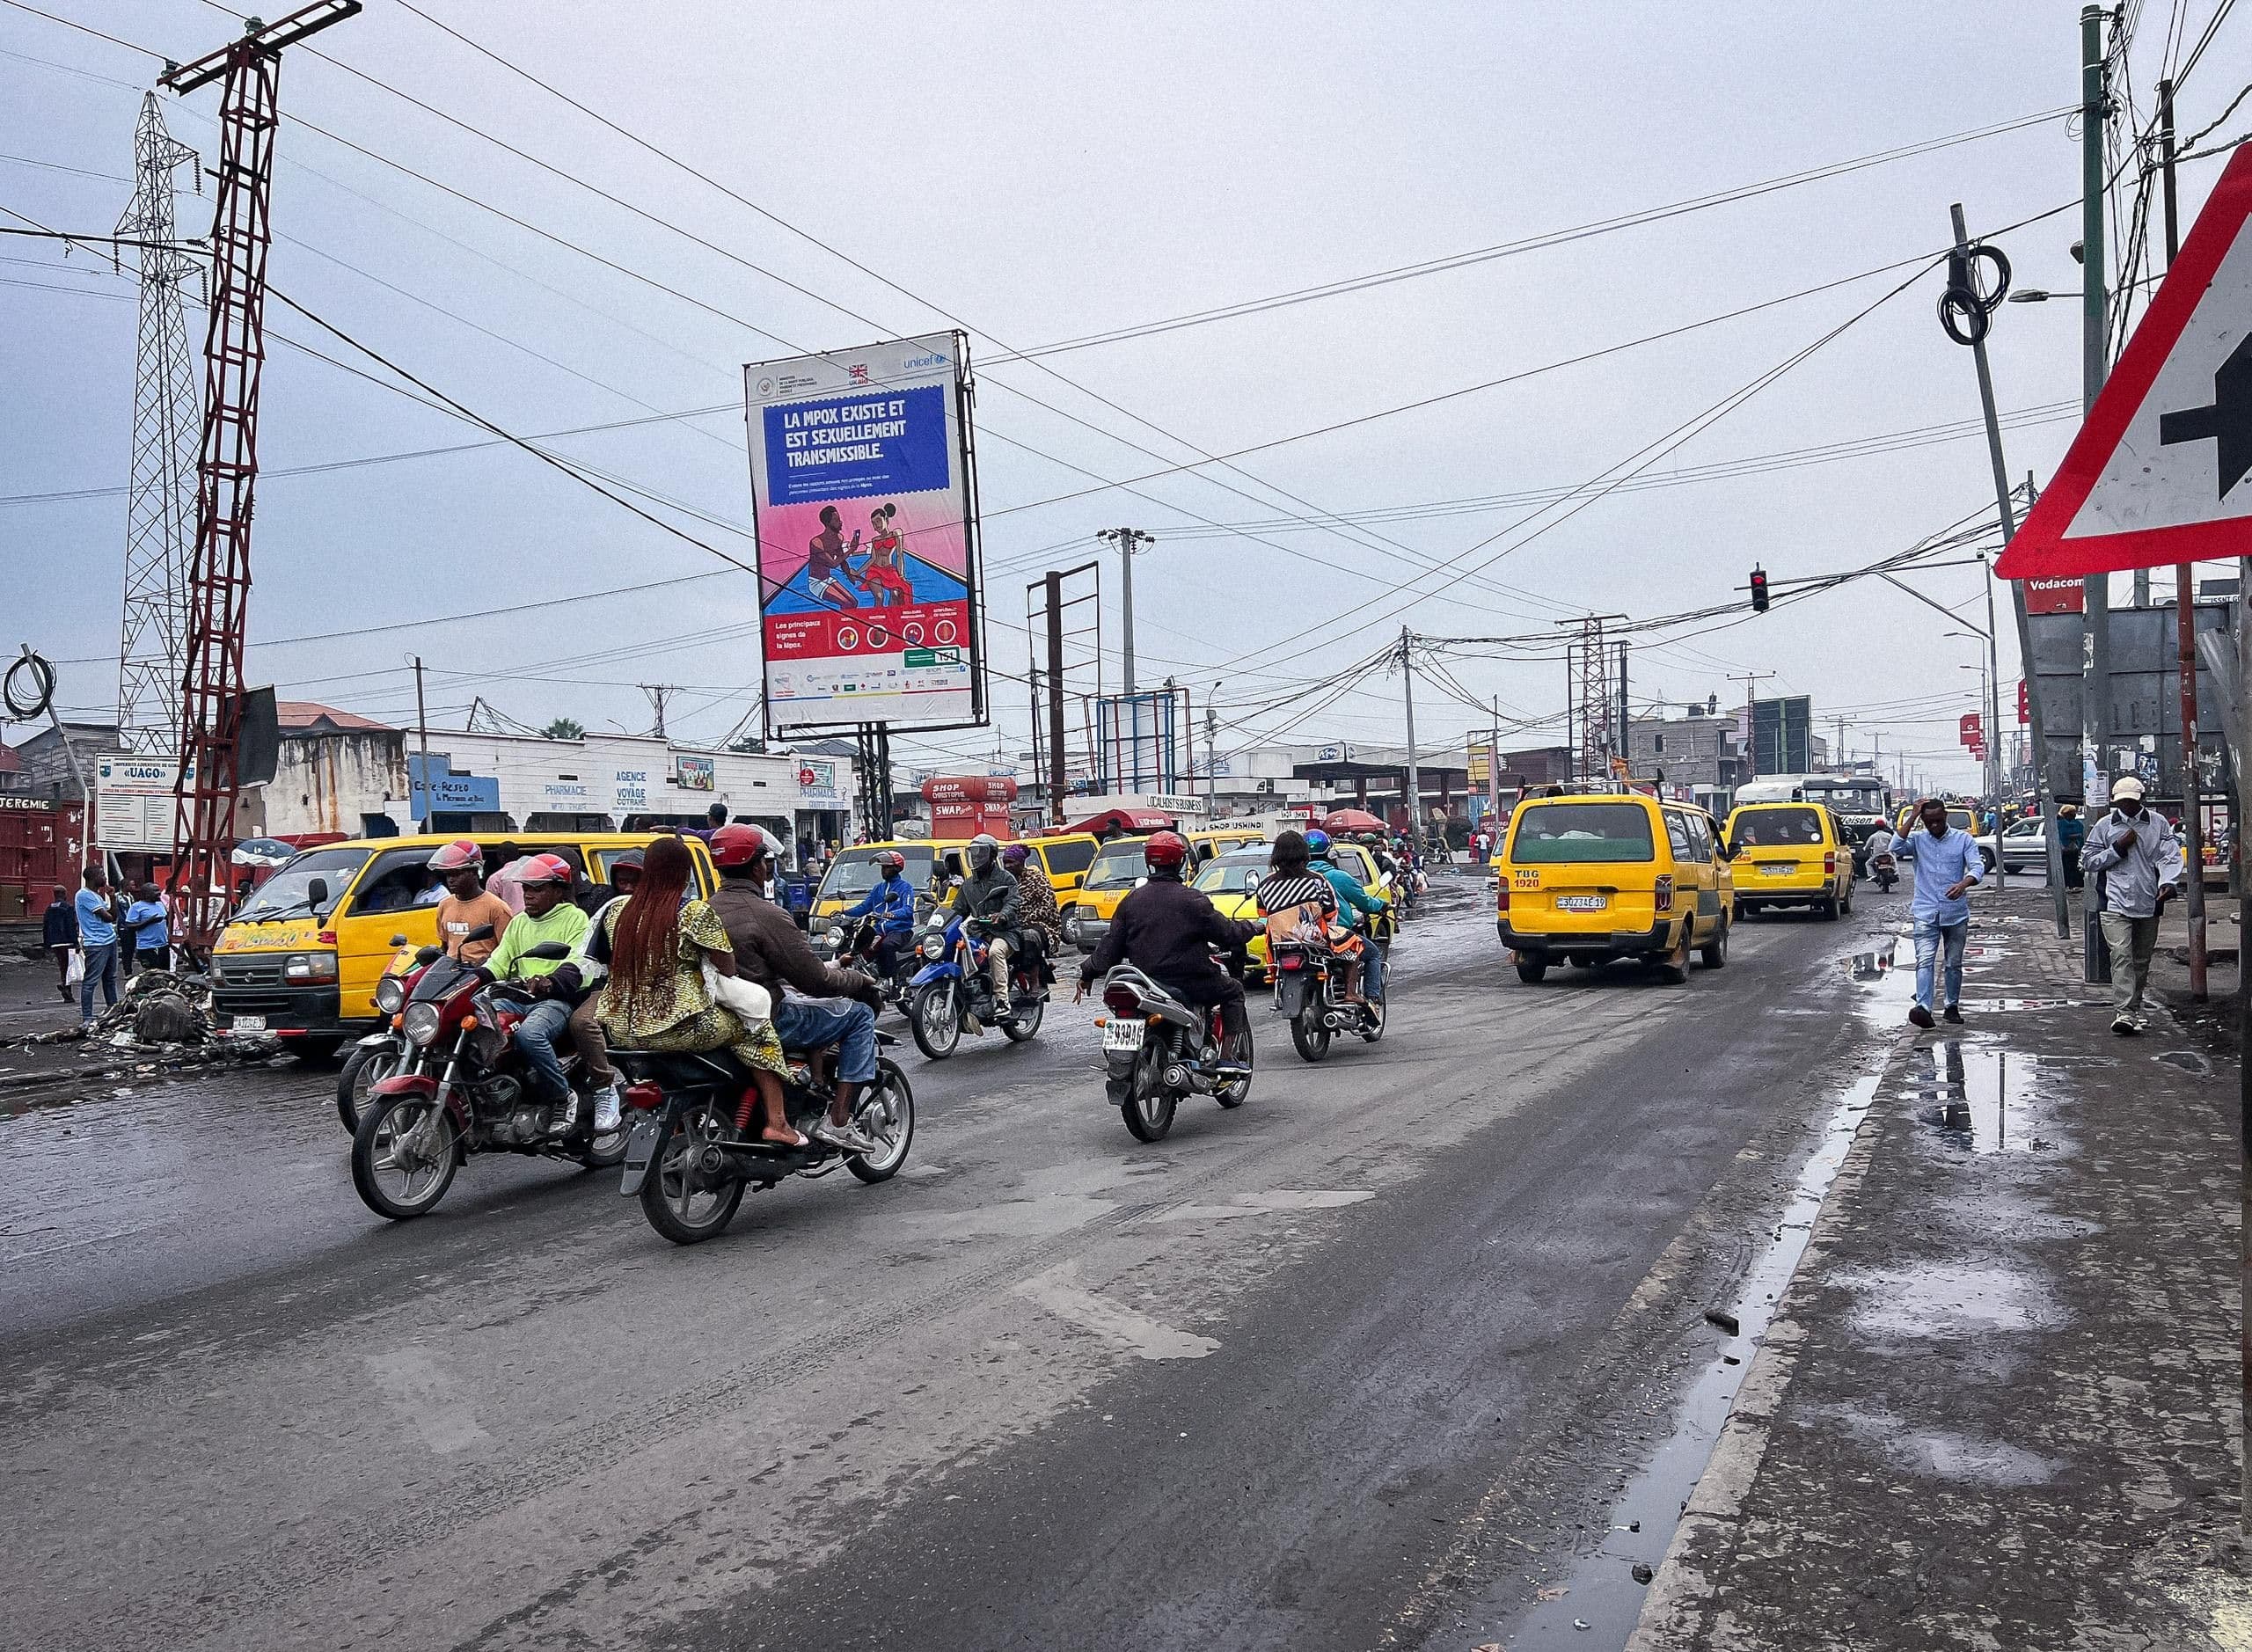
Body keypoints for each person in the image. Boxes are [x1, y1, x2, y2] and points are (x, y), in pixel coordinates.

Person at [596, 835, 802, 1149]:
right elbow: (728, 967)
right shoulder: (692, 913)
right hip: (679, 1026)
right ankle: (778, 1123)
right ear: (684, 873)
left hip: (622, 1029)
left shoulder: (617, 913)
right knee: (757, 1031)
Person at [704, 823, 883, 1154]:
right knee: (857, 1015)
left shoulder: (703, 910)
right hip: (769, 1018)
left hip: (719, 1017)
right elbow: (814, 982)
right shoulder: (767, 915)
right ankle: (839, 1121)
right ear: (759, 867)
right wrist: (859, 981)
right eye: (765, 862)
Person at [1076, 830, 1259, 1074]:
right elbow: (1226, 933)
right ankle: (1226, 1059)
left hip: (1145, 982)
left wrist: (1087, 973)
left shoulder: (1131, 901)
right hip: (1189, 981)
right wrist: (1252, 928)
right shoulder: (1192, 900)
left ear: (1149, 862)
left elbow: (1109, 948)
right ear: (1182, 862)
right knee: (1233, 991)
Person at [486, 854, 598, 1132]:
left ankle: (562, 1095)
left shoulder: (575, 919)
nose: (529, 895)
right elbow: (500, 960)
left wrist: (551, 981)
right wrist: (473, 977)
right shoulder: (519, 922)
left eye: (537, 888)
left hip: (555, 1001)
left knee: (530, 1036)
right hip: (517, 997)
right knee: (479, 1023)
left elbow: (578, 961)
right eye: (526, 889)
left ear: (558, 891)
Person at [2080, 774, 2187, 1035]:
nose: (2126, 807)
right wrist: (2117, 848)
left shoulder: (2158, 824)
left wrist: (2169, 882)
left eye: (2131, 801)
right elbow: (2088, 861)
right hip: (2114, 903)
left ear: (2142, 800)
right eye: (2122, 802)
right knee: (2121, 955)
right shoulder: (2105, 826)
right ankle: (2124, 1012)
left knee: (2140, 959)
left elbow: (2169, 857)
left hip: (2149, 901)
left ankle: (2134, 1009)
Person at [1875, 797, 1984, 1029]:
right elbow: (1894, 847)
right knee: (1924, 961)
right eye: (1928, 821)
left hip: (1955, 914)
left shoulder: (1963, 839)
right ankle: (1923, 1008)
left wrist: (1964, 884)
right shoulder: (1917, 840)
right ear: (1923, 821)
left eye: (1937, 820)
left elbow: (1977, 867)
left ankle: (1951, 1006)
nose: (1933, 826)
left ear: (1945, 816)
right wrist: (1913, 816)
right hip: (1925, 912)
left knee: (1953, 962)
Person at [553, 850, 640, 1130]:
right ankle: (588, 1089)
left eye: (633, 882)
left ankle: (607, 1089)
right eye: (622, 882)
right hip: (609, 984)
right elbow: (586, 956)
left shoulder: (671, 910)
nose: (626, 889)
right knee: (572, 1021)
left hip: (654, 988)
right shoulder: (607, 911)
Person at [1307, 829, 1391, 1003]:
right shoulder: (1338, 877)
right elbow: (1365, 903)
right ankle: (1371, 999)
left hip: (1300, 936)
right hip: (1333, 934)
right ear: (1330, 853)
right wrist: (1381, 905)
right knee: (1373, 954)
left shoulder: (1296, 879)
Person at [951, 832, 1024, 1005]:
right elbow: (957, 910)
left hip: (1005, 933)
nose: (976, 858)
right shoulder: (968, 885)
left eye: (981, 853)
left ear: (992, 855)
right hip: (978, 933)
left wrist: (1002, 915)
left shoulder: (1006, 879)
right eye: (974, 853)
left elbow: (1013, 902)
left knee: (995, 952)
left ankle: (1001, 1000)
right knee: (953, 950)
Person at [428, 840, 515, 966]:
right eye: (448, 875)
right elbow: (446, 945)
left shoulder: (497, 908)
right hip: (449, 972)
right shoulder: (445, 905)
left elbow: (507, 950)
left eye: (457, 874)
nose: (451, 880)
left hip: (481, 975)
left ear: (474, 873)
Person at [837, 848, 917, 983]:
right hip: (879, 929)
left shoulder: (905, 887)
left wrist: (893, 914)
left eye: (886, 867)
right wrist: (844, 913)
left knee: (887, 945)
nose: (883, 870)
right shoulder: (877, 888)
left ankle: (891, 980)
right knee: (861, 946)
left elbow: (908, 909)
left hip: (900, 930)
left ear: (896, 869)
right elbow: (864, 907)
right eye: (882, 868)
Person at [1005, 842, 1061, 986]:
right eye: (1005, 862)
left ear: (1021, 862)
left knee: (1029, 937)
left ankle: (1034, 984)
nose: (1007, 866)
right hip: (1012, 924)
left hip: (1042, 925)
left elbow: (1047, 906)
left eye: (1011, 862)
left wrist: (1025, 920)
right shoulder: (1005, 881)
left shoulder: (1037, 879)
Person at [73, 866, 119, 1028]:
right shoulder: (84, 895)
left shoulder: (97, 896)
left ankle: (114, 1011)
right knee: (91, 981)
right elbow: (107, 918)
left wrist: (112, 898)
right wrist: (112, 901)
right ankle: (87, 1017)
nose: (105, 878)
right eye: (102, 874)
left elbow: (113, 916)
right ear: (94, 877)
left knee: (110, 979)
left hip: (108, 940)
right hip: (96, 943)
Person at [853, 501, 915, 607]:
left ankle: (892, 619)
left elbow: (900, 555)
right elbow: (872, 559)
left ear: (886, 519)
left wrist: (901, 575)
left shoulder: (896, 533)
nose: (876, 525)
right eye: (873, 523)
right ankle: (877, 619)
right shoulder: (875, 540)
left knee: (895, 594)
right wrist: (858, 573)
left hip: (889, 571)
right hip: (875, 570)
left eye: (878, 521)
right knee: (879, 596)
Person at [806, 505, 860, 610]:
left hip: (828, 579)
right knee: (847, 604)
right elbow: (833, 564)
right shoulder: (817, 542)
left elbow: (841, 560)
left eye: (839, 519)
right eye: (836, 520)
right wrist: (852, 549)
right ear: (828, 523)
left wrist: (849, 575)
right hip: (816, 582)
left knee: (854, 602)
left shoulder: (839, 538)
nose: (840, 522)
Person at [123, 882, 171, 976]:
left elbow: (166, 920)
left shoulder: (160, 904)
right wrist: (148, 922)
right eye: (156, 891)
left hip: (163, 946)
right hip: (147, 948)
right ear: (146, 894)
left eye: (159, 890)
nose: (159, 893)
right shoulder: (136, 907)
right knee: (153, 975)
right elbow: (129, 926)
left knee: (166, 975)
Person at [42, 883, 75, 1003]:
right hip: (67, 941)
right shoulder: (68, 907)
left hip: (54, 942)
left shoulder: (49, 908)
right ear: (64, 894)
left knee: (62, 965)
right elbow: (70, 926)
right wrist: (75, 942)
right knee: (68, 966)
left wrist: (47, 943)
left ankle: (65, 985)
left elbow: (45, 926)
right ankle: (67, 987)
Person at [2056, 802, 2087, 889]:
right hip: (2063, 849)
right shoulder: (2060, 823)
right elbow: (2063, 835)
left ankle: (2074, 884)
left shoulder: (2077, 823)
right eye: (2071, 814)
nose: (2074, 816)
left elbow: (2081, 833)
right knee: (2066, 868)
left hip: (2074, 849)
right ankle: (2068, 884)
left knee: (2073, 867)